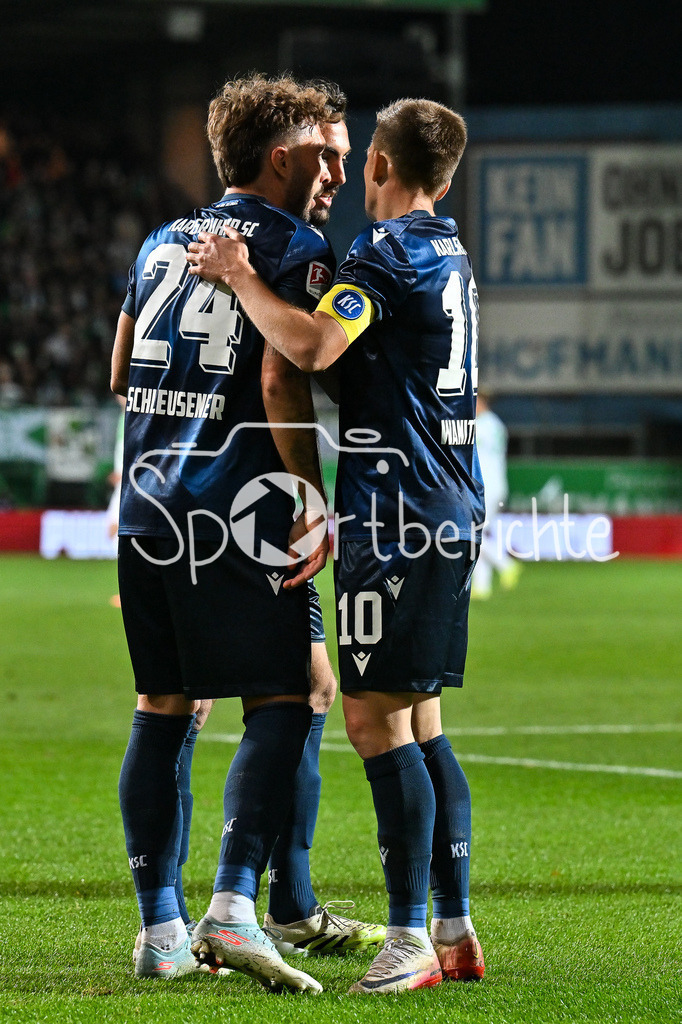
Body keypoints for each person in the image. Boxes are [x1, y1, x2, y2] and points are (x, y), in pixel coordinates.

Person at [187, 97, 487, 996]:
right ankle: (453, 926)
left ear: (381, 170)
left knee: (371, 722)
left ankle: (407, 942)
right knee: (423, 723)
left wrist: (242, 278)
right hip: (451, 503)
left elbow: (313, 347)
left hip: (396, 512)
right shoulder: (453, 256)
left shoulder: (386, 255)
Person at [112, 73, 355, 994]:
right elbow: (279, 381)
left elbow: (119, 370)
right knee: (290, 691)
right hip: (231, 508)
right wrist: (308, 494)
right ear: (281, 155)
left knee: (162, 706)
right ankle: (234, 909)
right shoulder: (294, 245)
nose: (333, 172)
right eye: (322, 156)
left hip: (146, 503)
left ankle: (161, 933)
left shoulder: (159, 239)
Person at [470, 390, 522, 599]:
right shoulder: (496, 424)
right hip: (496, 484)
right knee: (479, 533)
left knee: (473, 534)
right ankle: (482, 587)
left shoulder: (480, 426)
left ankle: (506, 564)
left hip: (486, 486)